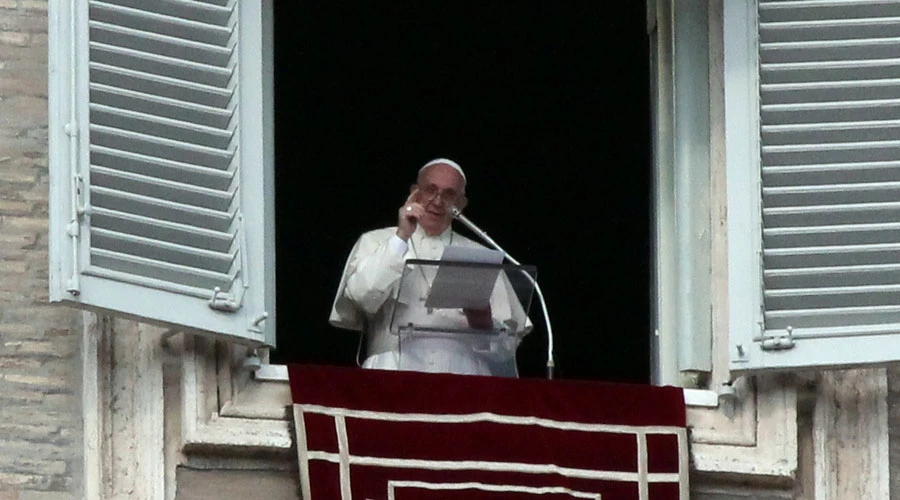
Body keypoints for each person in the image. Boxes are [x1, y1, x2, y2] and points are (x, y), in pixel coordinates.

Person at [329, 158, 529, 376]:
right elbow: (360, 298)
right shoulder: (375, 241)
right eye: (430, 189)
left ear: (461, 204)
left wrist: (485, 325)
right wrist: (401, 237)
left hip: (465, 376)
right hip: (392, 371)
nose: (438, 200)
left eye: (449, 194)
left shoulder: (481, 255)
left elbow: (508, 349)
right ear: (415, 192)